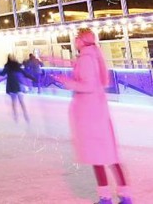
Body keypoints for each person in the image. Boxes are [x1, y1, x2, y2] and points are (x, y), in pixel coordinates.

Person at [47, 29, 133, 204]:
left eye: (77, 38)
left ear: (83, 41)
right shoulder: (90, 56)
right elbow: (80, 67)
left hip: (91, 114)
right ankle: (124, 196)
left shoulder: (86, 58)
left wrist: (66, 81)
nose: (74, 40)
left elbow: (88, 85)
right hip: (97, 112)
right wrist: (57, 60)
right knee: (110, 156)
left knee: (98, 157)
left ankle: (106, 198)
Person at [0, 55, 31, 123]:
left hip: (12, 85)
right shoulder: (16, 66)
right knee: (20, 101)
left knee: (14, 101)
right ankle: (24, 115)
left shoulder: (8, 66)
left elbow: (2, 74)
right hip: (17, 84)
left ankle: (16, 116)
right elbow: (24, 73)